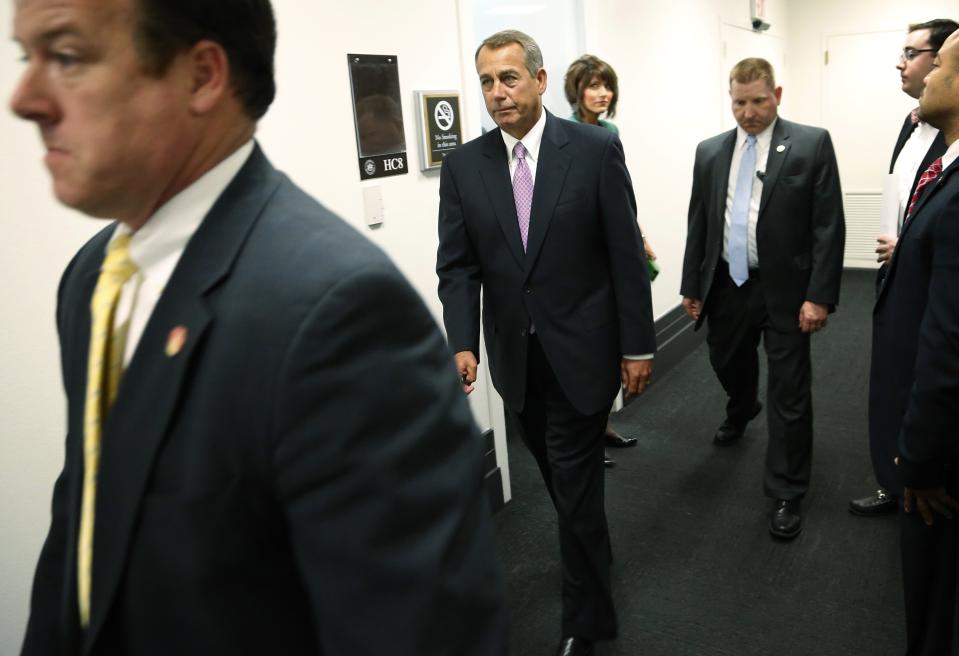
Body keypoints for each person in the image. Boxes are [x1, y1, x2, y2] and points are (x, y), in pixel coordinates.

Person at [11, 0, 507, 654]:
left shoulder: (339, 313)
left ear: (201, 76)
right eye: (27, 57)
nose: (25, 98)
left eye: (68, 57)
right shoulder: (92, 280)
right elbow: (82, 533)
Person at [437, 29, 656, 656]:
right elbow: (458, 266)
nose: (497, 93)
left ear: (537, 79)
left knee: (574, 479)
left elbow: (623, 257)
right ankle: (593, 546)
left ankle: (587, 620)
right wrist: (463, 340)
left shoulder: (591, 150)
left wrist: (637, 346)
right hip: (515, 362)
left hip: (584, 354)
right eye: (485, 81)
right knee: (563, 481)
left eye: (508, 78)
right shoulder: (464, 166)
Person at [680, 58, 845, 540]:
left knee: (789, 392)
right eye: (739, 102)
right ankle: (740, 406)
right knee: (727, 359)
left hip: (787, 291)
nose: (748, 112)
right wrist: (693, 284)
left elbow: (827, 225)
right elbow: (699, 222)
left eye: (758, 101)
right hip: (728, 285)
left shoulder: (810, 143)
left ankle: (787, 491)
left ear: (777, 93)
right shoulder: (710, 152)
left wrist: (819, 297)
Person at [871, 30, 959, 655]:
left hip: (939, 464)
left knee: (935, 597)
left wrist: (920, 461)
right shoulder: (941, 160)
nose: (923, 76)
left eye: (939, 65)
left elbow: (949, 342)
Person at [850, 18, 958, 518]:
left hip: (926, 286)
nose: (901, 62)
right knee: (890, 384)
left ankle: (915, 480)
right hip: (897, 280)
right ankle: (893, 481)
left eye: (912, 53)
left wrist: (913, 247)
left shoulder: (951, 132)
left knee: (925, 385)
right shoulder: (912, 121)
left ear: (940, 63)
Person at [563, 54, 658, 465]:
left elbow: (619, 196)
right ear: (576, 91)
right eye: (593, 85)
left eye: (607, 85)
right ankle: (586, 435)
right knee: (587, 349)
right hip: (580, 254)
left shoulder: (609, 131)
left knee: (610, 341)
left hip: (611, 247)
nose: (602, 93)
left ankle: (601, 426)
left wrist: (638, 238)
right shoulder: (561, 133)